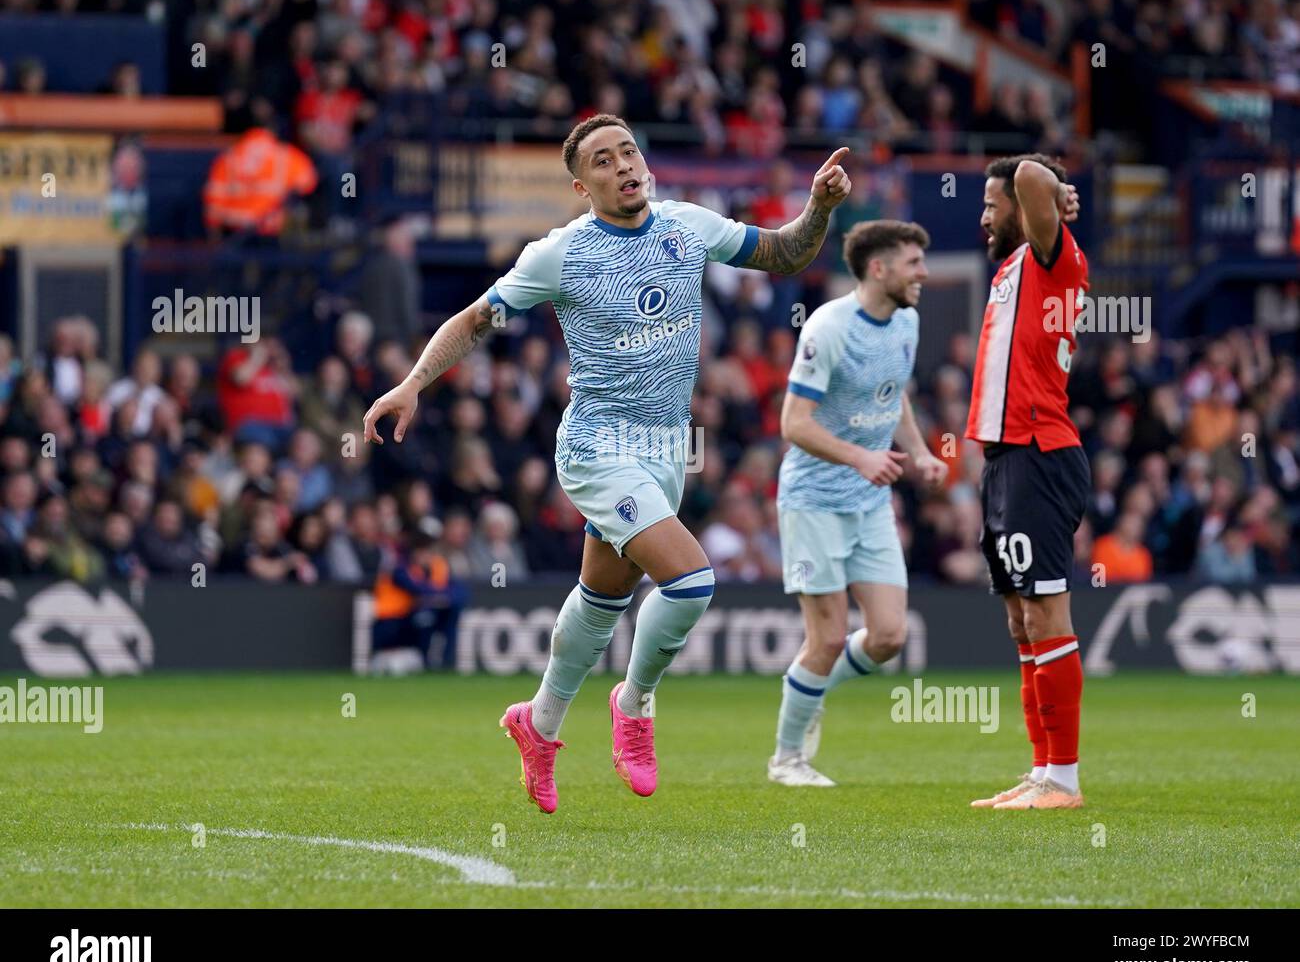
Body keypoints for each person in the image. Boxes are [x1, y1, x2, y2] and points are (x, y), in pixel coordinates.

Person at [363, 113, 852, 813]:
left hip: (664, 452)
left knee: (601, 602)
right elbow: (475, 319)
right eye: (603, 159)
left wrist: (819, 208)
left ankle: (539, 724)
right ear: (581, 184)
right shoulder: (560, 255)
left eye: (629, 151)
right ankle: (635, 703)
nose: (623, 164)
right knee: (690, 583)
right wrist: (412, 383)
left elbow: (783, 254)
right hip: (597, 449)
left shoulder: (687, 225)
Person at [769, 220, 947, 786]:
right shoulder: (829, 327)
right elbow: (792, 424)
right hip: (813, 500)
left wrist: (918, 452)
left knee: (890, 636)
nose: (923, 273)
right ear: (879, 268)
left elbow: (894, 396)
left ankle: (809, 685)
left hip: (869, 503)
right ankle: (787, 759)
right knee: (824, 638)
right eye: (913, 262)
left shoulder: (908, 323)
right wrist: (860, 458)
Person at [966, 153, 1091, 810]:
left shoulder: (1053, 259)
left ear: (1025, 210)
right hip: (1006, 460)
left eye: (992, 205)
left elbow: (1032, 179)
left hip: (1040, 452)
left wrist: (1051, 189)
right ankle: (1042, 771)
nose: (984, 217)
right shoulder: (1014, 270)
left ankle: (1065, 778)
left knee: (1046, 611)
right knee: (1021, 621)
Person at [371, 531, 467, 669]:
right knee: (425, 616)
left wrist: (444, 597)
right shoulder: (400, 568)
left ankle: (447, 663)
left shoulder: (438, 565)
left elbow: (459, 590)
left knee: (452, 611)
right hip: (391, 621)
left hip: (412, 617)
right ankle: (423, 660)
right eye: (422, 551)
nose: (426, 556)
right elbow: (417, 588)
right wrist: (441, 595)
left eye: (429, 551)